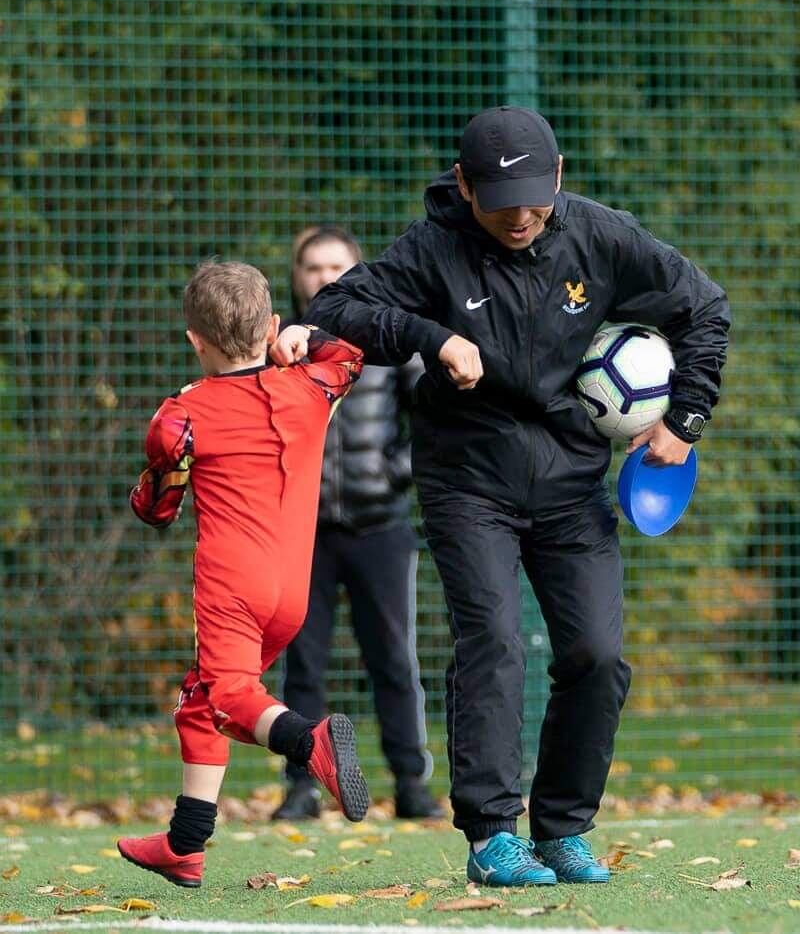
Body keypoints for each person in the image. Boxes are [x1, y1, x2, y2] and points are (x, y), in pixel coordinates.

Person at [306, 106, 730, 886]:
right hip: (469, 480)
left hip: (572, 484)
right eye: (502, 201)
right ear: (464, 186)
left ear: (559, 177)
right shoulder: (432, 248)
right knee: (494, 642)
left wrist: (687, 418)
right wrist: (431, 339)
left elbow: (704, 307)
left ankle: (563, 828)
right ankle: (491, 835)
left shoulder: (599, 236)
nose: (522, 216)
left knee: (597, 656)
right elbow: (332, 308)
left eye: (536, 197)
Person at [116, 260, 366, 888]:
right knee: (201, 701)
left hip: (232, 587)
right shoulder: (312, 387)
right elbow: (349, 354)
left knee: (229, 696)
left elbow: (158, 510)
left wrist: (142, 490)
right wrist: (303, 339)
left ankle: (312, 744)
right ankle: (185, 844)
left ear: (193, 339)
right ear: (272, 326)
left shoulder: (181, 416)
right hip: (292, 590)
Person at [272, 226, 442, 821]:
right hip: (303, 535)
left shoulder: (391, 339)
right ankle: (301, 786)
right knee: (303, 663)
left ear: (356, 270)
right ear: (298, 278)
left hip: (382, 527)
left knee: (394, 659)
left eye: (335, 266)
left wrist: (394, 472)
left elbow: (432, 417)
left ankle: (411, 784)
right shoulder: (279, 348)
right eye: (312, 267)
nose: (323, 277)